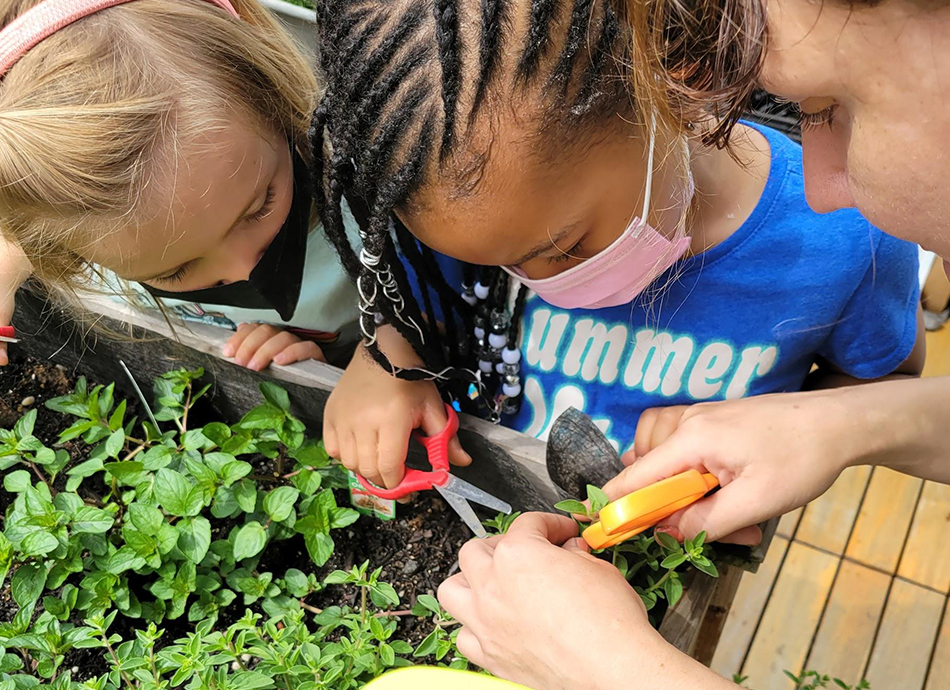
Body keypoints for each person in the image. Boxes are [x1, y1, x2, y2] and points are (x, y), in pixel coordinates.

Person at [435, 0, 950, 690]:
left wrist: (607, 673)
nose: (825, 187)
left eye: (834, 106)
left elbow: (888, 364)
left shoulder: (844, 244)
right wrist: (837, 424)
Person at [312, 0, 923, 497]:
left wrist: (783, 433)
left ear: (666, 80)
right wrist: (389, 360)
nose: (530, 279)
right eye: (491, 263)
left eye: (566, 245)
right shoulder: (469, 202)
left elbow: (886, 383)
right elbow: (422, 314)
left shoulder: (847, 236)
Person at [0, 0, 359, 371]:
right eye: (174, 271)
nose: (245, 270)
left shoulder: (364, 193)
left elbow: (414, 307)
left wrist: (372, 361)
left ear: (272, 91)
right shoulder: (85, 224)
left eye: (259, 207)